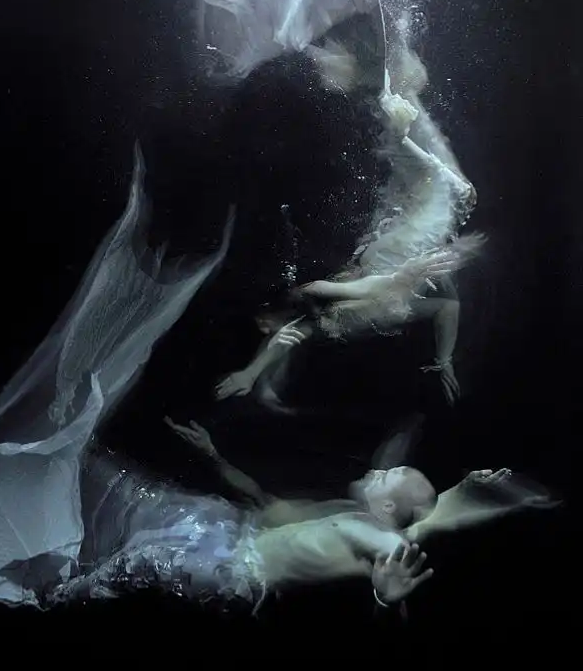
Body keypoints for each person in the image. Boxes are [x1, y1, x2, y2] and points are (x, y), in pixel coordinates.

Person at [48, 417, 551, 618]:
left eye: (389, 474)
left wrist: (385, 597)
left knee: (146, 560)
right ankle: (80, 464)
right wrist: (213, 455)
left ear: (387, 508)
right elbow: (264, 501)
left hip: (236, 574)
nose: (379, 469)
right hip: (232, 538)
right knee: (161, 502)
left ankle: (56, 601)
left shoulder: (382, 539)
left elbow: (402, 556)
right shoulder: (347, 515)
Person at [215, 132, 481, 408]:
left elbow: (355, 295)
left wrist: (252, 372)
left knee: (452, 193)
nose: (264, 328)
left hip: (384, 271)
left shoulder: (323, 294)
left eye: (262, 321)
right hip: (384, 284)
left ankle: (401, 136)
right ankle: (403, 138)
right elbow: (444, 306)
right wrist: (444, 361)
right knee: (449, 197)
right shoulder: (348, 313)